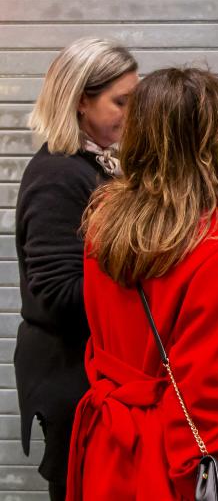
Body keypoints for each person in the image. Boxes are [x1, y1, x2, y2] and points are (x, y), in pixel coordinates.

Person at [67, 68, 218, 500]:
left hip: (110, 448)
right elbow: (203, 392)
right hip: (177, 466)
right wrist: (216, 481)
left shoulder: (104, 220)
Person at [14, 37, 138, 501]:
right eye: (120, 102)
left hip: (89, 376)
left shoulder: (99, 165)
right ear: (81, 100)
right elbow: (57, 292)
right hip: (70, 378)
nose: (131, 114)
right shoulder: (59, 174)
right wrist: (144, 285)